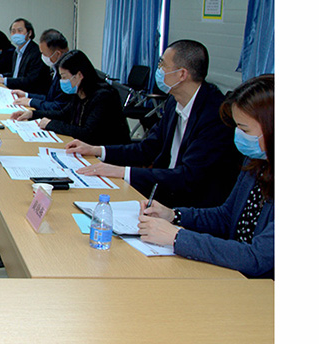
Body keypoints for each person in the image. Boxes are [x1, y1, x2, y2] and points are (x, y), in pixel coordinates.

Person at [65, 39, 241, 208]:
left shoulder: (214, 114)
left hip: (192, 205)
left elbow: (188, 176)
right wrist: (97, 150)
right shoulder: (174, 102)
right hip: (164, 193)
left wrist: (123, 172)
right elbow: (148, 148)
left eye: (162, 64)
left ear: (182, 74)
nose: (159, 70)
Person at [138, 75, 274, 278]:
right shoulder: (257, 162)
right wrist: (173, 215)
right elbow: (226, 216)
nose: (238, 135)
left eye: (244, 129)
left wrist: (177, 237)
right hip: (233, 274)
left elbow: (257, 258)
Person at [14, 50, 130, 146]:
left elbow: (87, 133)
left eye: (64, 77)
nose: (62, 81)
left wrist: (51, 124)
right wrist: (33, 114)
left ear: (79, 75)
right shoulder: (79, 91)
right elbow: (64, 114)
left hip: (106, 152)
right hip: (86, 147)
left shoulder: (103, 96)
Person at [9, 28, 73, 113]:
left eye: (44, 54)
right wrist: (27, 95)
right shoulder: (56, 68)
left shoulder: (68, 73)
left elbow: (58, 106)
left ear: (57, 54)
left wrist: (30, 102)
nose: (42, 57)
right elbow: (50, 98)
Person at [0, 18, 50, 95]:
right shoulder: (17, 51)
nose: (16, 34)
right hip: (16, 91)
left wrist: (4, 80)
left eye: (20, 31)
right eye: (13, 31)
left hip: (29, 95)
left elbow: (30, 80)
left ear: (29, 33)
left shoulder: (36, 52)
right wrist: (0, 76)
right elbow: (16, 74)